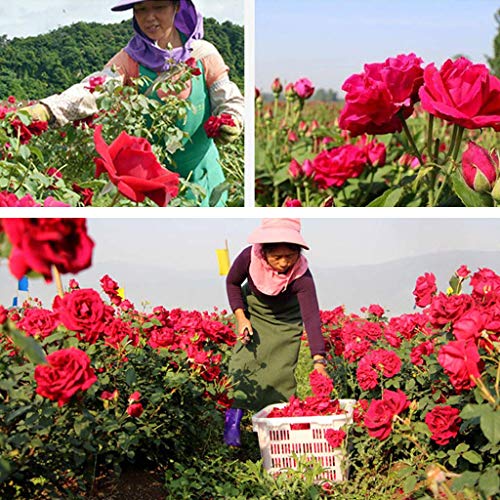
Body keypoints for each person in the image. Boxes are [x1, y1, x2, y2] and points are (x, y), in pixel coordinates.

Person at [25, 0, 244, 206]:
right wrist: (48, 109)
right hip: (152, 183)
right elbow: (96, 88)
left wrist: (231, 120)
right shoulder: (130, 59)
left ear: (176, 6)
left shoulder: (203, 54)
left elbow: (227, 96)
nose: (150, 17)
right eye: (141, 10)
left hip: (201, 176)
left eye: (158, 7)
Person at [224, 218, 329, 446]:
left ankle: (276, 431)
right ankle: (233, 419)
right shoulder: (248, 258)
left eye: (289, 256)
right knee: (243, 362)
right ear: (264, 252)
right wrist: (241, 318)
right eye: (276, 257)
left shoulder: (302, 276)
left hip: (285, 321)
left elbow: (311, 318)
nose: (283, 263)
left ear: (298, 253)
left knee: (280, 372)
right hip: (253, 312)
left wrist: (319, 360)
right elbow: (232, 283)